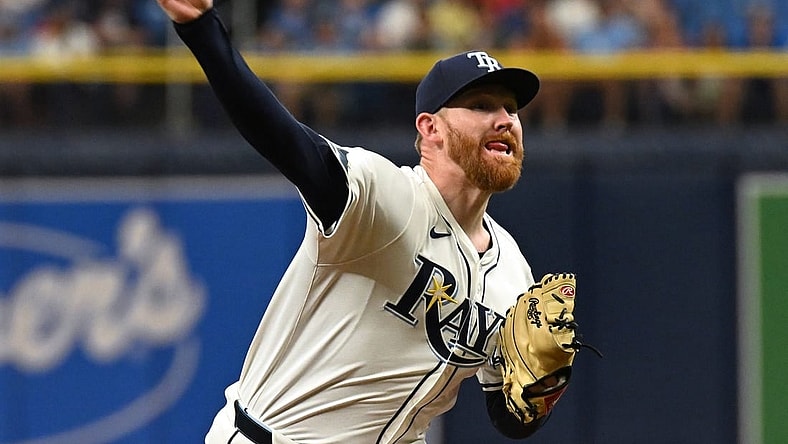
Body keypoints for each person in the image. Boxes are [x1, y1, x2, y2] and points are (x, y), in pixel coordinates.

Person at [156, 0, 549, 442]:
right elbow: (282, 137)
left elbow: (510, 417)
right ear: (430, 129)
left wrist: (543, 388)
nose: (503, 120)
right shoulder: (385, 198)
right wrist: (203, 29)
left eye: (510, 109)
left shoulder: (514, 271)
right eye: (480, 105)